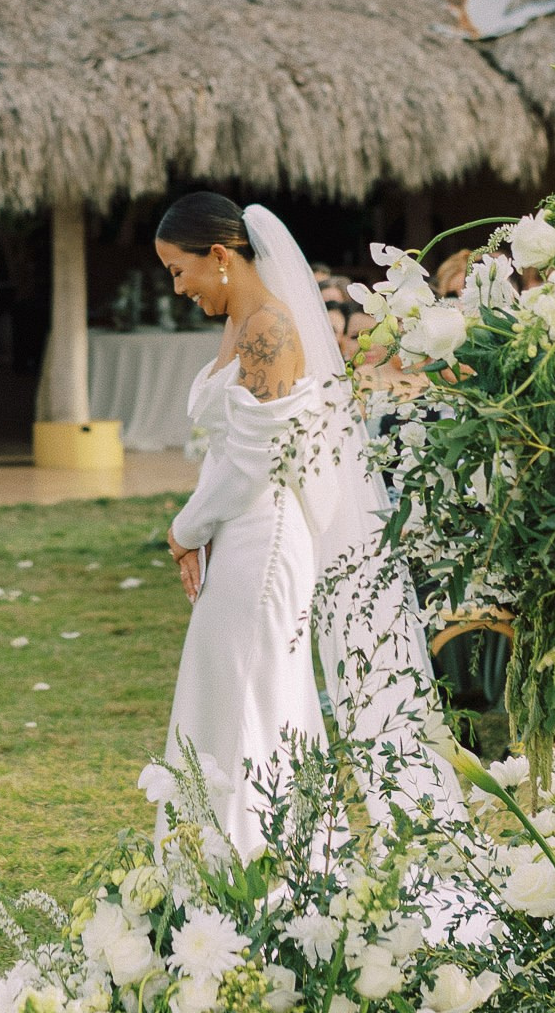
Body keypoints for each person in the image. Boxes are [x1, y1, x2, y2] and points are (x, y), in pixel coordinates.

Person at [154, 192, 447, 850]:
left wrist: (184, 530)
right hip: (236, 532)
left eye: (180, 270)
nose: (178, 288)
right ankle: (213, 872)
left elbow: (255, 461)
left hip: (263, 539)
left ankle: (261, 878)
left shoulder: (268, 331)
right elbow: (230, 452)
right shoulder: (238, 322)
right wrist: (200, 532)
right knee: (226, 692)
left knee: (253, 703)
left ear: (221, 255)